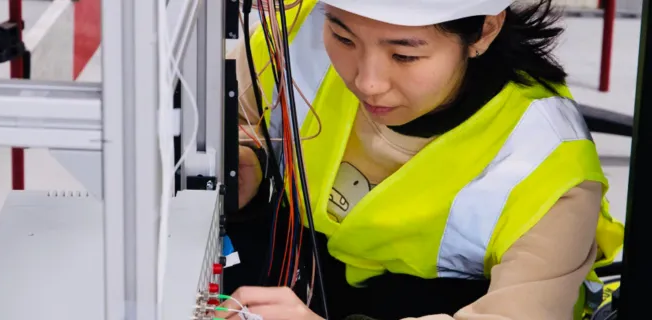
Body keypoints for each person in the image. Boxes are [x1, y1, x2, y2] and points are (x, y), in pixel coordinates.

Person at [220, 0, 625, 319]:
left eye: (405, 56)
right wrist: (250, 163)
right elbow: (243, 113)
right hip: (304, 266)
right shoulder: (297, 32)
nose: (367, 82)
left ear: (484, 30)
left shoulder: (545, 160)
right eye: (343, 39)